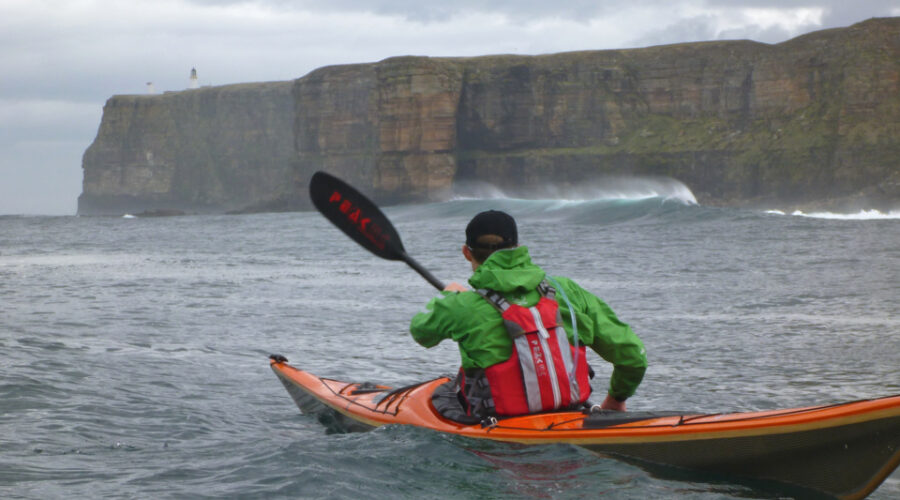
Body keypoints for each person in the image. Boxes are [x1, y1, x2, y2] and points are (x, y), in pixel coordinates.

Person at [410, 210, 647, 418]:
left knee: (443, 390)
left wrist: (449, 297)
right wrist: (616, 400)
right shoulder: (565, 290)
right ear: (517, 248)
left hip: (498, 431)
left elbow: (421, 332)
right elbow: (632, 357)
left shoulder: (459, 305)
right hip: (572, 415)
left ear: (466, 252)